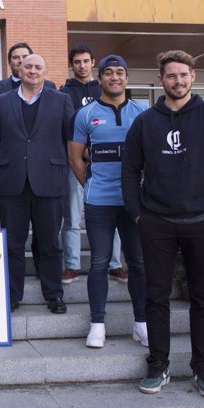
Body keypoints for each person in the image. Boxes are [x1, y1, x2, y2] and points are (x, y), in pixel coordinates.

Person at [123, 50, 204, 399]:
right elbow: (129, 171)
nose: (178, 81)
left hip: (202, 221)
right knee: (155, 298)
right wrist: (138, 213)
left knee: (203, 299)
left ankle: (203, 369)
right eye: (171, 76)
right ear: (160, 80)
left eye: (183, 75)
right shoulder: (145, 122)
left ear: (193, 76)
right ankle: (158, 365)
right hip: (156, 222)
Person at [68, 54, 147, 348]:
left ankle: (141, 324)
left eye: (120, 73)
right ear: (99, 78)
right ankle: (97, 324)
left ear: (126, 78)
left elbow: (150, 157)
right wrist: (89, 184)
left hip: (133, 203)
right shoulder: (85, 114)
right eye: (109, 73)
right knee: (100, 262)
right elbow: (75, 156)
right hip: (99, 201)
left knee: (137, 263)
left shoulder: (142, 112)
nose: (114, 77)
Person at [0, 54, 73, 313]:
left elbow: (69, 139)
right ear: (19, 69)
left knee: (50, 242)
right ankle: (12, 294)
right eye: (28, 66)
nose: (32, 71)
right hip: (12, 183)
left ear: (45, 72)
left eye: (38, 67)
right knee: (12, 243)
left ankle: (54, 294)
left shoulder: (61, 100)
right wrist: (3, 166)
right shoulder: (2, 102)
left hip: (49, 181)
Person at [60, 44, 126, 285]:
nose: (82, 65)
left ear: (93, 63)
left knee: (114, 214)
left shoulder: (104, 87)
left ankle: (115, 264)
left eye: (86, 61)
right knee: (73, 217)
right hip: (76, 160)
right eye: (77, 62)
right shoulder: (64, 91)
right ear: (72, 65)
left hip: (107, 164)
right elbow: (66, 128)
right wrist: (82, 153)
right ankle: (72, 265)